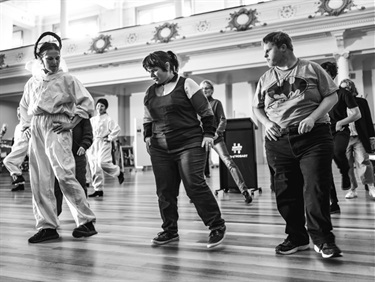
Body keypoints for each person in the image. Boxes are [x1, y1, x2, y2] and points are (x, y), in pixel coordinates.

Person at [252, 31, 342, 258]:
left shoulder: (312, 69)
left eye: (268, 50)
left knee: (315, 188)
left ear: (283, 47)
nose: (265, 56)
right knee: (286, 192)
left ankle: (322, 240)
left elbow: (332, 96)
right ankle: (296, 237)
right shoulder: (265, 78)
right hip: (278, 140)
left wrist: (312, 117)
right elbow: (257, 107)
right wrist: (266, 123)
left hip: (313, 137)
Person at [142, 50, 226, 249]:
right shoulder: (149, 92)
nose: (151, 75)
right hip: (160, 148)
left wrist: (208, 134)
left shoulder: (187, 84)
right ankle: (169, 230)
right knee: (165, 191)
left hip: (189, 143)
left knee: (194, 185)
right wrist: (147, 136)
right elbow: (147, 117)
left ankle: (216, 225)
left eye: (154, 70)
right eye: (149, 71)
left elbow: (206, 112)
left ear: (168, 66)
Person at [19, 31, 97, 243]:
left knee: (64, 174)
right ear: (40, 59)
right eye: (49, 58)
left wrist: (71, 123)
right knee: (39, 179)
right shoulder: (32, 82)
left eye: (57, 58)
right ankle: (47, 226)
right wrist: (26, 125)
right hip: (37, 127)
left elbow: (87, 104)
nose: (54, 62)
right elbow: (24, 107)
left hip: (57, 126)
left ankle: (86, 221)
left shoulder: (68, 79)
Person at [200, 80, 252, 203]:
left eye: (207, 88)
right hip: (202, 139)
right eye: (202, 89)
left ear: (212, 90)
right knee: (199, 167)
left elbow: (223, 120)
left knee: (229, 162)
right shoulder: (198, 105)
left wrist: (216, 133)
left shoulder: (216, 103)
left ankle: (244, 191)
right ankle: (199, 195)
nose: (204, 91)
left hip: (216, 138)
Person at [321, 62, 361, 214]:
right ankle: (334, 203)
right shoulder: (318, 94)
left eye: (324, 73)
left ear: (332, 75)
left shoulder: (343, 93)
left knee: (338, 152)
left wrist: (340, 122)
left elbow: (357, 114)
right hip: (324, 134)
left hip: (340, 132)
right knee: (324, 170)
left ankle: (345, 172)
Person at [342, 79, 375, 199]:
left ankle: (371, 187)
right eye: (343, 88)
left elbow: (368, 120)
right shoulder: (339, 103)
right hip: (344, 138)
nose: (345, 91)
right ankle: (353, 189)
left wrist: (372, 137)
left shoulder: (361, 102)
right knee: (347, 165)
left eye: (347, 88)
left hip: (359, 137)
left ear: (352, 89)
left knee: (363, 161)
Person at [54, 118, 93, 216]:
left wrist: (84, 146)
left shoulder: (82, 116)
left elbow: (88, 134)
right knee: (57, 184)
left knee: (79, 183)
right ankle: (55, 213)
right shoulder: (60, 113)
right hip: (60, 155)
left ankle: (82, 212)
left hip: (77, 155)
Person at [86, 98, 124, 198]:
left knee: (102, 162)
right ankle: (98, 190)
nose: (99, 108)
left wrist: (110, 138)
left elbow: (117, 129)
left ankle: (118, 172)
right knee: (94, 167)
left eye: (102, 106)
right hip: (93, 144)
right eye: (98, 105)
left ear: (105, 107)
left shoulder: (108, 119)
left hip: (103, 142)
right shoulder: (92, 120)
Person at [3, 107, 28, 191]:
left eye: (19, 113)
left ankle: (20, 177)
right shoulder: (17, 126)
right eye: (17, 114)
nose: (18, 115)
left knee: (7, 161)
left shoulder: (27, 125)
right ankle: (20, 185)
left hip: (23, 148)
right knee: (14, 166)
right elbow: (16, 140)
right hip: (16, 148)